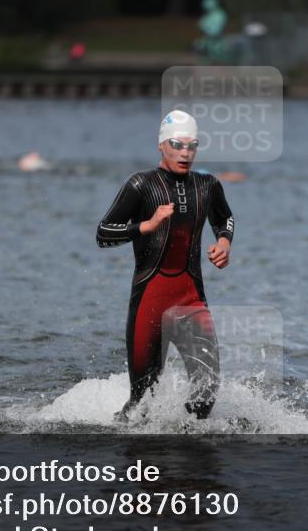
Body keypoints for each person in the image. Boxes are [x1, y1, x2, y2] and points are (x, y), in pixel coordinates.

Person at [97, 110, 234, 422]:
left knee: (207, 390)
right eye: (177, 144)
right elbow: (103, 234)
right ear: (162, 145)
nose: (185, 153)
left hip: (190, 299)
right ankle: (134, 451)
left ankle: (186, 450)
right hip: (150, 302)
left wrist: (224, 241)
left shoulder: (208, 185)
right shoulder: (140, 185)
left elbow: (224, 218)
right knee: (142, 400)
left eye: (192, 145)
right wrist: (146, 225)